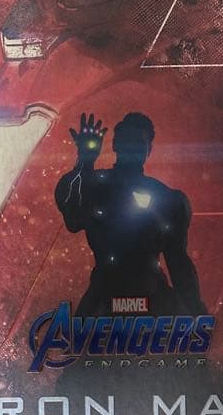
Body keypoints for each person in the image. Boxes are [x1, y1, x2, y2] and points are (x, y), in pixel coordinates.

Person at [55, 112, 205, 318]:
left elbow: (179, 263)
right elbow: (73, 218)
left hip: (147, 299)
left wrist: (196, 314)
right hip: (107, 300)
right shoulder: (97, 186)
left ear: (149, 149)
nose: (132, 148)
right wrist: (85, 161)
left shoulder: (167, 198)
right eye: (128, 140)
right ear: (115, 143)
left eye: (138, 143)